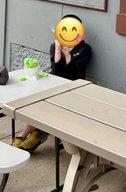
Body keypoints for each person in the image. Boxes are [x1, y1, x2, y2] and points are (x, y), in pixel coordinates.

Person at [12, 15, 91, 152]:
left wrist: (68, 55)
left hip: (74, 89)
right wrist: (59, 50)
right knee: (37, 101)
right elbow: (56, 72)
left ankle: (29, 134)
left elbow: (74, 75)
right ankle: (36, 133)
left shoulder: (85, 49)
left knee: (43, 104)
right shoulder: (55, 46)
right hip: (54, 85)